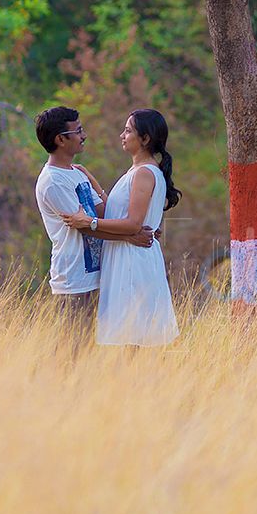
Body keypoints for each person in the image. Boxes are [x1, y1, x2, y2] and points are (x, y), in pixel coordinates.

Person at [63, 108, 180, 347]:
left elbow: (132, 224)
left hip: (133, 260)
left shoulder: (145, 173)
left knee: (133, 336)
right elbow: (115, 210)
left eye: (128, 131)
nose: (122, 136)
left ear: (145, 139)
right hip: (125, 256)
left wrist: (89, 223)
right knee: (127, 336)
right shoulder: (136, 172)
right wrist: (90, 178)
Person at [34, 106, 155, 331]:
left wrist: (93, 180)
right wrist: (130, 236)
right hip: (74, 280)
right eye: (78, 131)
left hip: (99, 275)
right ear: (61, 139)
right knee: (73, 351)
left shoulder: (76, 173)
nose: (84, 136)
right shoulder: (53, 181)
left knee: (97, 355)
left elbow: (103, 214)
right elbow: (85, 228)